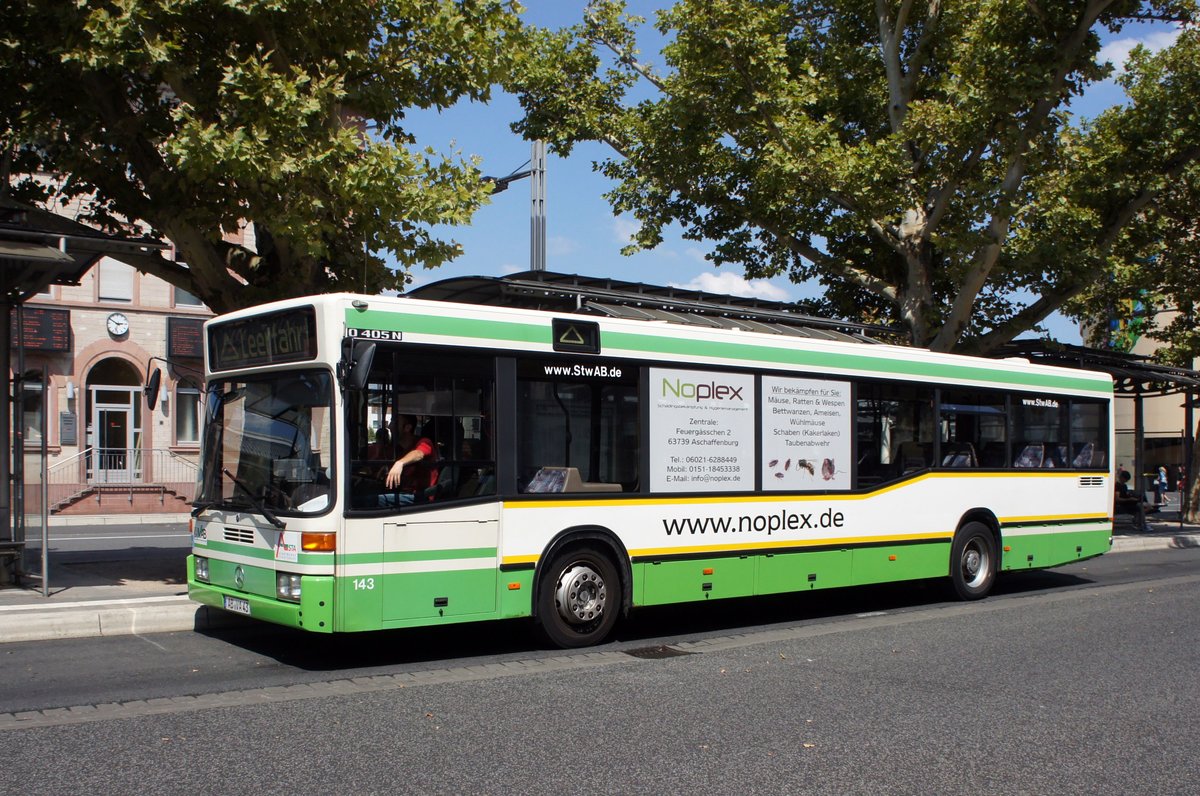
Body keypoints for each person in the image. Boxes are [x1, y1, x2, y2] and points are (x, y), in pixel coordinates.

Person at [384, 414, 438, 500]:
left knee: (369, 501)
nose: (390, 427)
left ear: (408, 428)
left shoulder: (424, 442)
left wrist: (399, 463)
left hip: (420, 498)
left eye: (395, 423)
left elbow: (419, 454)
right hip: (401, 493)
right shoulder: (395, 449)